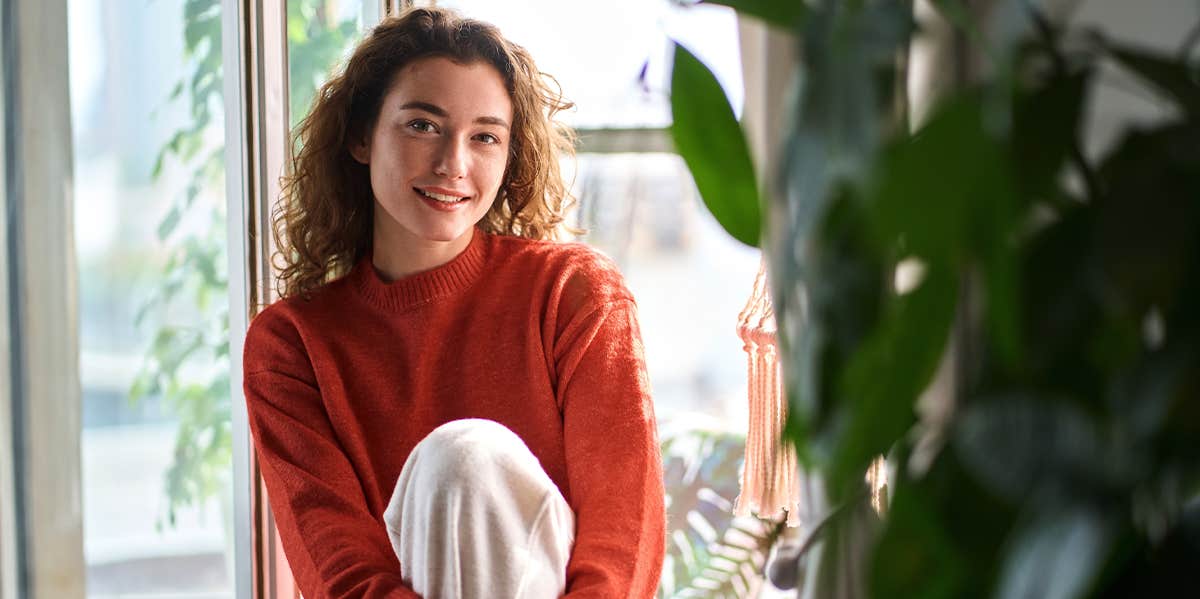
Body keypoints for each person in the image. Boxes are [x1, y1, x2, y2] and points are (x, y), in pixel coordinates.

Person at [241, 7, 666, 599]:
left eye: (485, 137)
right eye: (422, 125)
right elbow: (338, 570)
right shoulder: (290, 345)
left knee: (465, 459)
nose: (453, 164)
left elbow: (625, 531)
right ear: (361, 136)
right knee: (458, 460)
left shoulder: (573, 294)